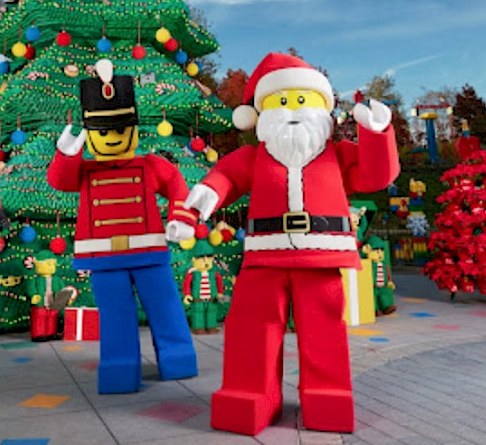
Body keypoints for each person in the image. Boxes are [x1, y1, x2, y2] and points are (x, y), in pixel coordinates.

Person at [169, 52, 400, 435]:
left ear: (323, 109)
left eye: (303, 100)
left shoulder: (339, 155)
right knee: (251, 327)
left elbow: (376, 175)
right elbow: (223, 178)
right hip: (265, 257)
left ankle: (327, 396)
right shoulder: (253, 157)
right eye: (281, 101)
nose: (293, 109)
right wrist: (204, 200)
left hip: (320, 256)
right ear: (259, 115)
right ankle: (249, 395)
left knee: (323, 331)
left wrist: (378, 135)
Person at [47, 58, 198, 394]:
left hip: (148, 252)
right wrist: (67, 152)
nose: (112, 137)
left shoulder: (149, 164)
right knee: (116, 316)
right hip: (104, 257)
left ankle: (178, 358)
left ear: (132, 128)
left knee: (166, 308)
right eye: (102, 131)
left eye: (118, 129)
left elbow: (176, 183)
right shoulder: (84, 170)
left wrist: (181, 217)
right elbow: (59, 179)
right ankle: (120, 366)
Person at [26, 250, 77, 341]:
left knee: (52, 318)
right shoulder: (35, 279)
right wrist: (34, 295)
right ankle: (39, 334)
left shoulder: (57, 280)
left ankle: (51, 333)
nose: (50, 267)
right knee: (40, 318)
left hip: (54, 301)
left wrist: (66, 298)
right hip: (41, 301)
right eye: (47, 264)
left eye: (52, 264)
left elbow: (63, 290)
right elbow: (31, 288)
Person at [181, 240, 226, 334]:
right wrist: (187, 295)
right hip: (198, 299)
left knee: (211, 312)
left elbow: (219, 283)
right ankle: (198, 327)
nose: (205, 260)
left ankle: (211, 326)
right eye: (201, 258)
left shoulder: (214, 274)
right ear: (194, 259)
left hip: (211, 299)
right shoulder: (192, 274)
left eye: (208, 257)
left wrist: (220, 293)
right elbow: (187, 284)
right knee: (198, 313)